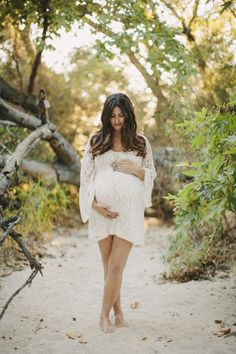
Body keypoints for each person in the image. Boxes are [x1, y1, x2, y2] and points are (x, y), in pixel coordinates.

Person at [79, 92, 157, 333]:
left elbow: (151, 174)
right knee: (109, 266)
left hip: (128, 214)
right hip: (102, 213)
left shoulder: (140, 143)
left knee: (115, 266)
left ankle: (103, 315)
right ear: (106, 116)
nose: (116, 120)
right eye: (112, 115)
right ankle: (119, 312)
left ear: (128, 115)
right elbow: (86, 179)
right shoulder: (95, 142)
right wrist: (95, 206)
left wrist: (136, 170)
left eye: (121, 115)